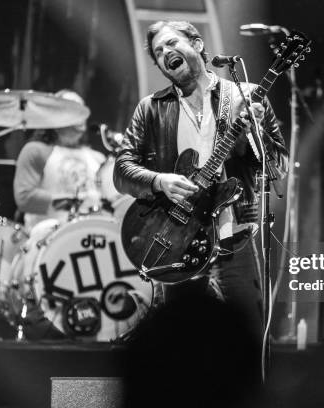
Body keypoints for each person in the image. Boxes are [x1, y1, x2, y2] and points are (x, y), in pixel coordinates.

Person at [113, 20, 288, 343]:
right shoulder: (151, 109)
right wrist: (159, 181)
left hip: (235, 236)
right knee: (180, 345)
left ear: (196, 44)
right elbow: (121, 171)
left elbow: (279, 166)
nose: (165, 52)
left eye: (171, 43)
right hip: (179, 241)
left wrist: (255, 131)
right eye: (158, 51)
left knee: (247, 339)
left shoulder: (244, 95)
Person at [13, 89, 106, 231]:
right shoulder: (35, 150)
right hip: (47, 239)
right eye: (72, 110)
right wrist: (71, 201)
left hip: (90, 237)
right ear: (54, 116)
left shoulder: (98, 158)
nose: (79, 117)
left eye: (81, 110)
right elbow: (24, 197)